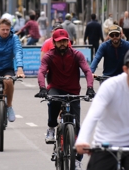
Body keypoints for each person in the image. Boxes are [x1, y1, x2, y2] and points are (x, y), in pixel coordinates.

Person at [36, 29, 95, 170]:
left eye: (65, 41)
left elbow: (87, 70)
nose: (62, 44)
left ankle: (77, 160)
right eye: (59, 41)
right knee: (54, 102)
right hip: (55, 88)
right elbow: (42, 71)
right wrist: (43, 88)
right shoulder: (49, 56)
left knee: (78, 129)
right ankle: (51, 127)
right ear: (54, 42)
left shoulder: (77, 55)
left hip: (73, 91)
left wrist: (90, 87)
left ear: (68, 41)